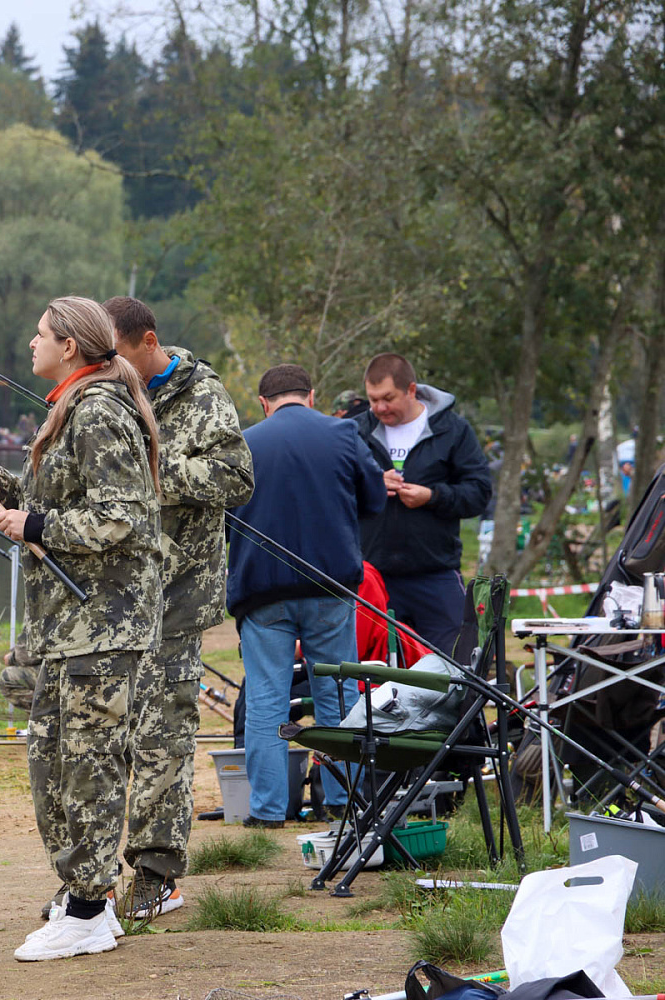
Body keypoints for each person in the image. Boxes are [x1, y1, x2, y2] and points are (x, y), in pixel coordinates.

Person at [0, 295, 163, 962]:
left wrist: (37, 527)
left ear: (69, 345)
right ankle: (83, 897)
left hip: (101, 625)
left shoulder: (96, 411)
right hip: (73, 627)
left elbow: (126, 519)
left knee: (84, 768)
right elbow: (61, 502)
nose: (30, 342)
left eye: (40, 334)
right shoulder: (78, 406)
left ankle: (89, 910)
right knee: (55, 762)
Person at [103, 295, 254, 918]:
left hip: (178, 594)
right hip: (114, 597)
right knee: (108, 734)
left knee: (164, 733)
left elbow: (238, 479)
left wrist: (157, 471)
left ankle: (157, 874)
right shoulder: (105, 395)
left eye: (114, 353)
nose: (108, 365)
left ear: (147, 341)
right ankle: (91, 880)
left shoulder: (203, 394)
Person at [228, 364, 386, 827]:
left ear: (263, 402)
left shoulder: (245, 442)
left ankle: (268, 811)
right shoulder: (342, 432)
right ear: (311, 396)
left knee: (266, 702)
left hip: (262, 594)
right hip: (330, 589)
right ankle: (340, 801)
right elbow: (374, 501)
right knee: (337, 697)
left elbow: (222, 518)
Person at [356, 353, 491, 656]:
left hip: (436, 574)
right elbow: (334, 492)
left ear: (412, 390)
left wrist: (433, 496)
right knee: (374, 679)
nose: (379, 408)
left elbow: (480, 492)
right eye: (372, 399)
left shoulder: (453, 430)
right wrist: (371, 485)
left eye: (388, 398)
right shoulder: (354, 432)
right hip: (373, 578)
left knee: (457, 669)